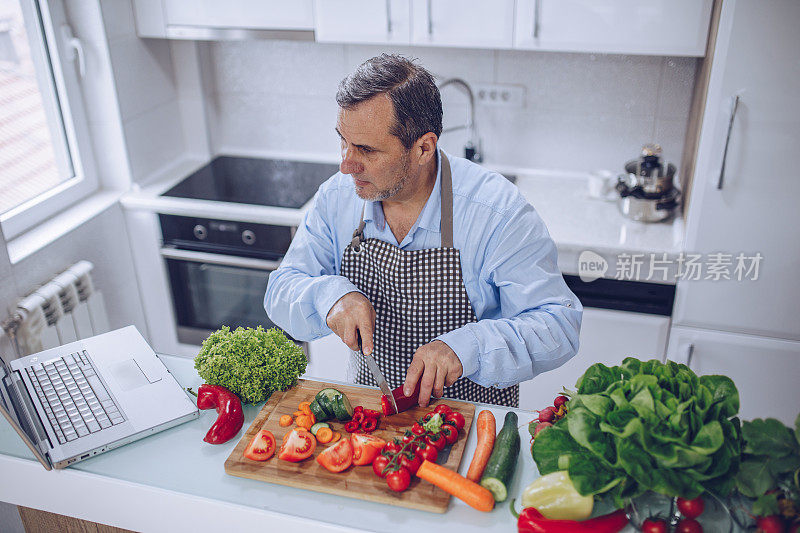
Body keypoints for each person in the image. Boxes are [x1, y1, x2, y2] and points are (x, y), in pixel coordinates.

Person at [264, 54, 582, 408]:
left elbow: (558, 325)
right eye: (343, 140)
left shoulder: (498, 212)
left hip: (472, 423)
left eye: (366, 149)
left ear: (423, 148)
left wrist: (466, 348)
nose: (346, 164)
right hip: (372, 413)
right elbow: (281, 289)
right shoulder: (336, 198)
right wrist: (329, 297)